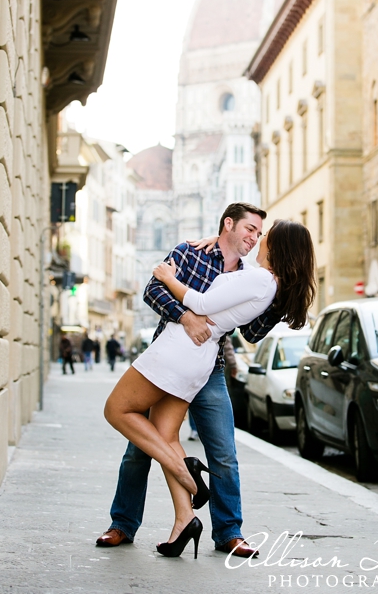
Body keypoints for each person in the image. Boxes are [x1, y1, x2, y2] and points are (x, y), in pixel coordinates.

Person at [102, 217, 315, 560]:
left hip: (181, 350)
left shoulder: (260, 279)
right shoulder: (212, 257)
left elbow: (203, 306)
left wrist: (168, 276)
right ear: (228, 225)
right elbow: (153, 293)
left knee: (117, 410)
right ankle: (183, 521)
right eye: (251, 230)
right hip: (195, 357)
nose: (257, 239)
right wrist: (212, 245)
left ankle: (196, 484)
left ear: (278, 247)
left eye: (264, 235)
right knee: (163, 435)